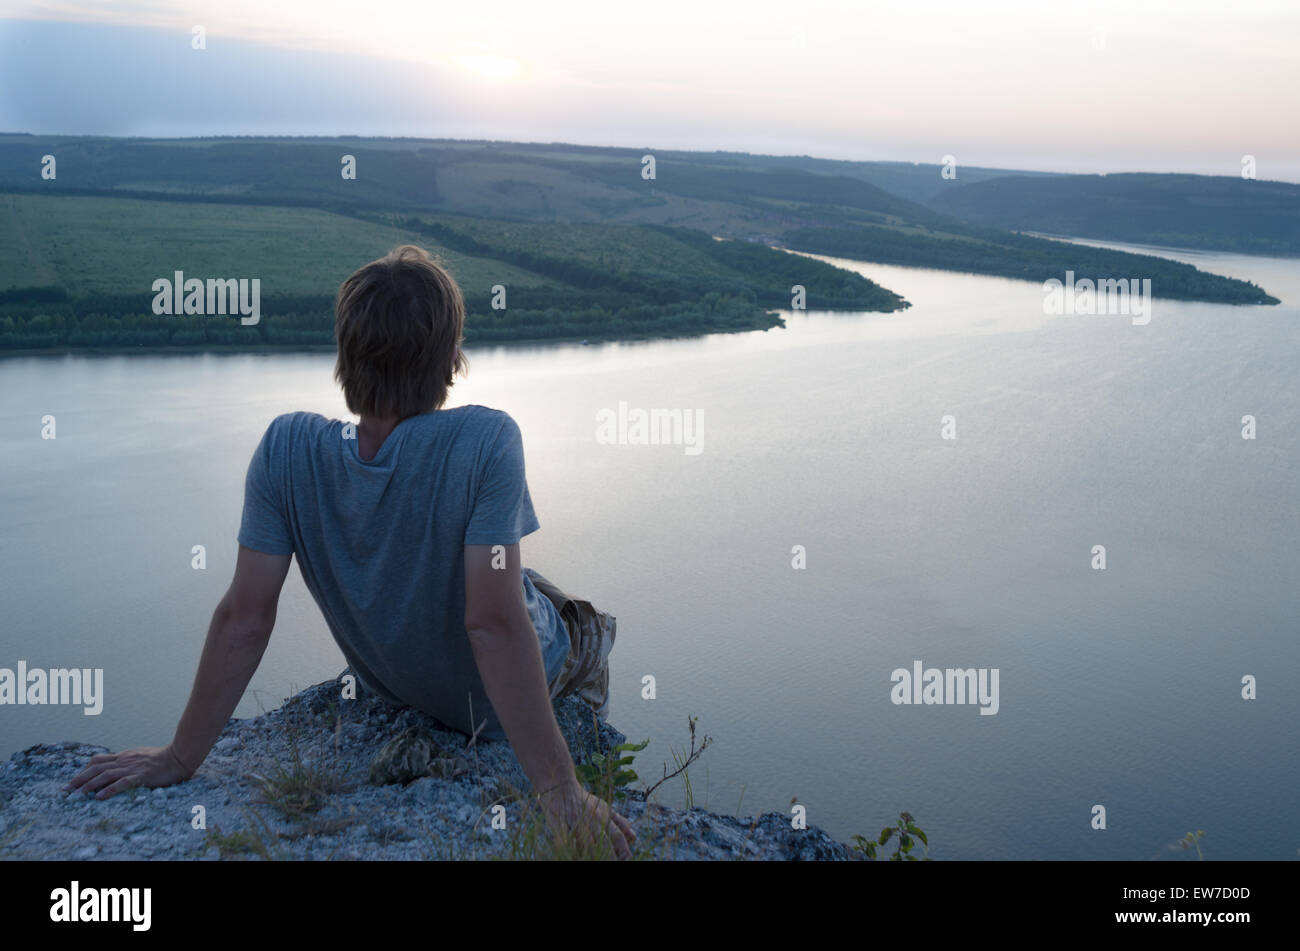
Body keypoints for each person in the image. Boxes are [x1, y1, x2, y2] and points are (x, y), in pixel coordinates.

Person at [64, 245, 634, 859]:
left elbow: (244, 617)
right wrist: (558, 789)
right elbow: (492, 622)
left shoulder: (287, 449)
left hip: (397, 689)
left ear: (346, 358)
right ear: (450, 361)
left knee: (508, 573)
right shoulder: (487, 440)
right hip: (501, 697)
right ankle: (591, 743)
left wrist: (181, 755)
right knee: (575, 621)